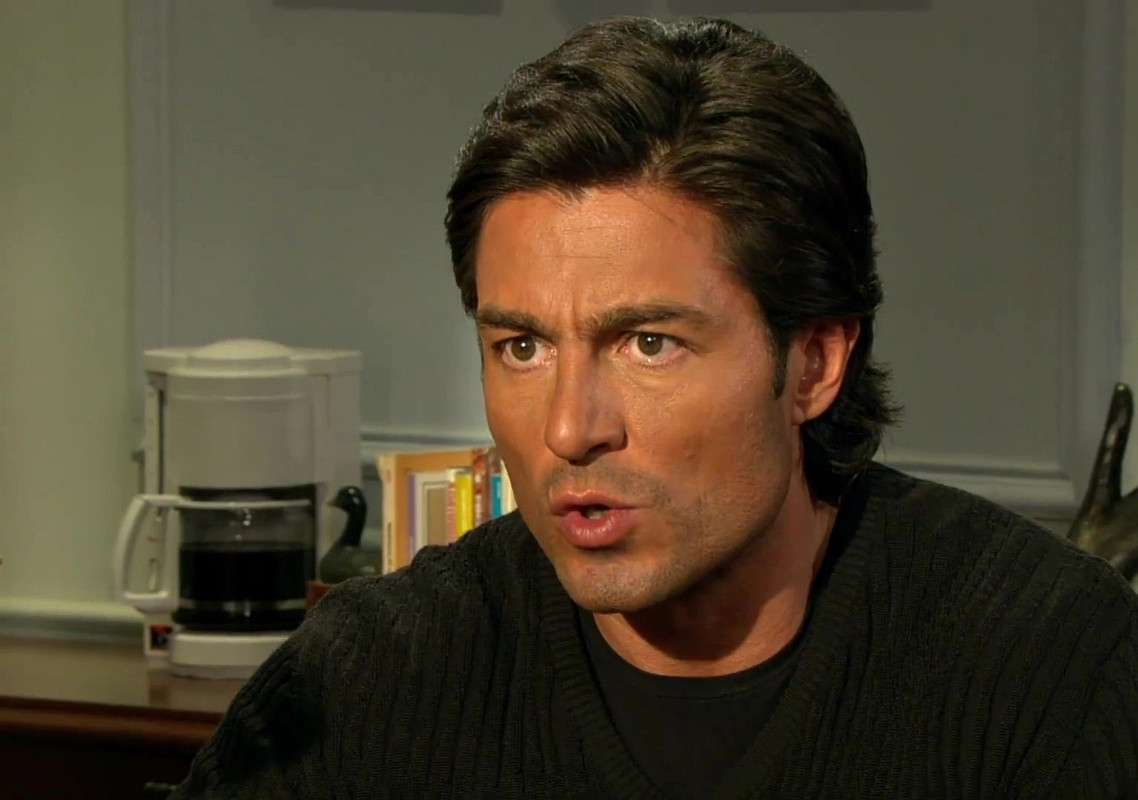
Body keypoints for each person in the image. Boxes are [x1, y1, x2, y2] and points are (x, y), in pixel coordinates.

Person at [171, 16, 1138, 799]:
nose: (569, 429)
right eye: (522, 347)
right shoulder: (374, 677)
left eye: (648, 344)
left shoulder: (1048, 665)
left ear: (813, 362)